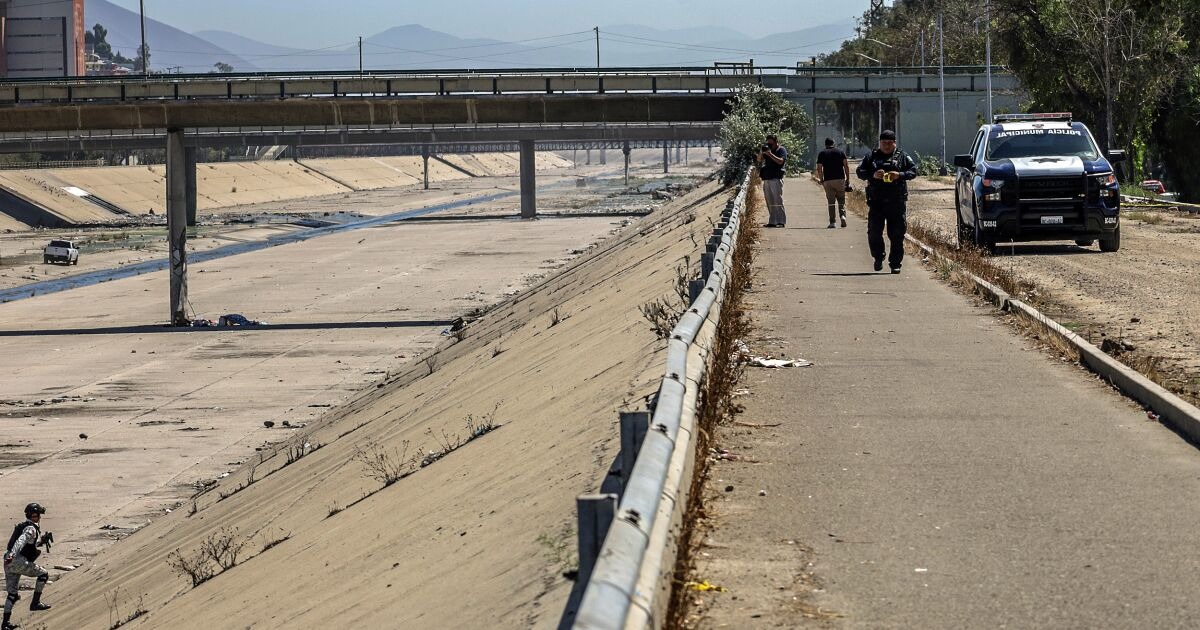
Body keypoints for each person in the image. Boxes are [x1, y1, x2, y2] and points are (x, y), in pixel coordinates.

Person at [856, 130, 917, 273]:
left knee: (896, 235)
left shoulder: (902, 156)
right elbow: (860, 171)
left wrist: (899, 175)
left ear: (895, 143)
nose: (887, 146)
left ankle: (895, 264)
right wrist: (873, 174)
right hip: (877, 203)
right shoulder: (871, 156)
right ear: (880, 143)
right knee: (874, 232)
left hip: (896, 202)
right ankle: (878, 257)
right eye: (884, 143)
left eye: (890, 143)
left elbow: (913, 171)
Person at [4, 503, 52, 629]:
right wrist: (13, 554)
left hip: (8, 562)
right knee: (43, 574)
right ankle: (35, 603)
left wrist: (41, 541)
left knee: (12, 594)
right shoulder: (30, 529)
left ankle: (5, 624)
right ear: (34, 515)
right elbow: (21, 541)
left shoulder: (23, 526)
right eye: (37, 515)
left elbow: (30, 544)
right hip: (17, 560)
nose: (39, 517)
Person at [815, 138, 852, 228]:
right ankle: (843, 216)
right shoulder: (840, 152)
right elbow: (846, 166)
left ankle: (832, 222)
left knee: (831, 202)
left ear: (825, 144)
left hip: (828, 180)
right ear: (833, 143)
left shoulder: (822, 153)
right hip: (840, 179)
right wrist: (847, 179)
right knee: (841, 200)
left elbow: (819, 168)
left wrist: (821, 179)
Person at [758, 134, 788, 227]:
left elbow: (780, 161)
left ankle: (781, 221)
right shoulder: (768, 151)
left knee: (777, 200)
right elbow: (759, 160)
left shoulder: (781, 150)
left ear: (776, 142)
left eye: (771, 144)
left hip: (776, 178)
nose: (770, 146)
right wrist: (762, 153)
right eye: (768, 144)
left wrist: (770, 154)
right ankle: (773, 221)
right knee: (769, 200)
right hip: (767, 178)